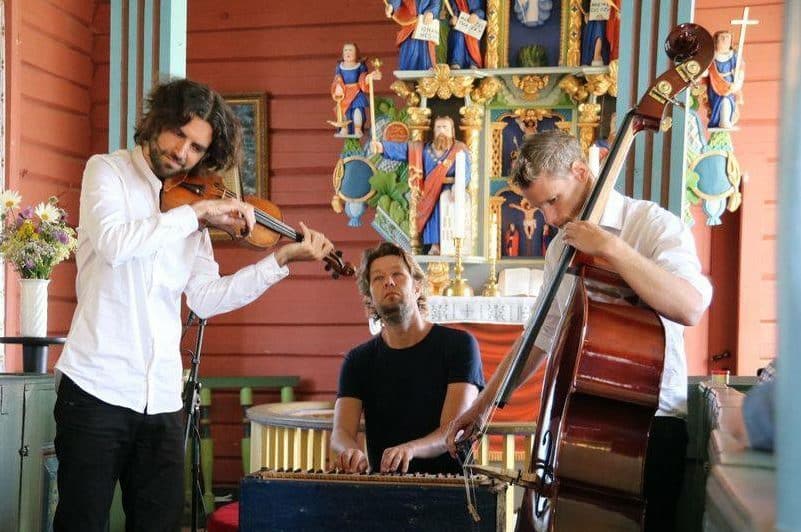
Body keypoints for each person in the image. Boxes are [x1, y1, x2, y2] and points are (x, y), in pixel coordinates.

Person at [53, 78, 335, 532]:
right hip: (95, 389)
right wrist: (196, 215)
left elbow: (206, 297)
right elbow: (114, 244)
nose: (183, 153)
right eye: (179, 135)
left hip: (163, 397)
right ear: (158, 121)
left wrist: (279, 260)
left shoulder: (193, 207)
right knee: (81, 523)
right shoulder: (106, 171)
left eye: (197, 148)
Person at [446, 130, 712, 531]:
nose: (551, 219)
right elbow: (538, 336)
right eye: (539, 209)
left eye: (553, 201)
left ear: (581, 171)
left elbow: (690, 306)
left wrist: (613, 248)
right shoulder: (560, 249)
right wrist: (483, 407)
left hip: (649, 424)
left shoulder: (652, 225)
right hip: (580, 424)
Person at [331, 242, 484, 474]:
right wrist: (350, 451)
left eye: (397, 274)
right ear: (370, 297)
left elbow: (452, 430)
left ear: (417, 287)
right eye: (378, 278)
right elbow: (341, 433)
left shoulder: (460, 345)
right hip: (385, 488)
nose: (388, 282)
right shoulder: (358, 360)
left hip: (450, 488)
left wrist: (411, 449)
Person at [372, 116, 470, 255]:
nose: (442, 131)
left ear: (452, 131)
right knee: (431, 214)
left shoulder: (459, 150)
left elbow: (466, 172)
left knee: (445, 209)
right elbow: (404, 150)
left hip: (449, 191)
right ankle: (434, 245)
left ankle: (449, 245)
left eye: (445, 128)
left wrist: (458, 187)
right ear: (434, 131)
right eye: (439, 127)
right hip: (428, 192)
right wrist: (382, 147)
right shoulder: (423, 150)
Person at [330, 43, 381, 137]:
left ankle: (358, 129)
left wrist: (369, 77)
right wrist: (337, 86)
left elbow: (362, 77)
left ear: (356, 53)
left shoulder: (360, 66)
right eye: (345, 50)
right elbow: (337, 78)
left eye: (350, 50)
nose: (348, 52)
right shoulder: (339, 67)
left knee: (357, 111)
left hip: (357, 93)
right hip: (344, 93)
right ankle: (344, 129)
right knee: (343, 111)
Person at [385, 0, 440, 71]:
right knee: (409, 55)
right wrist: (391, 7)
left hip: (424, 29)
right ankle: (407, 76)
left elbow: (435, 4)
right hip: (409, 27)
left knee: (426, 57)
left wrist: (431, 12)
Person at [706, 30, 744, 129]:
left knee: (727, 100)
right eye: (722, 38)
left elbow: (740, 71)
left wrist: (737, 82)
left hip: (729, 85)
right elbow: (706, 71)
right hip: (715, 85)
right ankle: (719, 120)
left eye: (727, 38)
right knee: (718, 103)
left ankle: (725, 120)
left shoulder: (734, 56)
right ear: (716, 41)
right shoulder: (711, 56)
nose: (725, 41)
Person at [447, 0, 485, 69]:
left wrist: (476, 14)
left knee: (472, 40)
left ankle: (472, 62)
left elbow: (482, 10)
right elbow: (450, 11)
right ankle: (456, 62)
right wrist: (452, 19)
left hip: (472, 26)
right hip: (458, 25)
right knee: (458, 37)